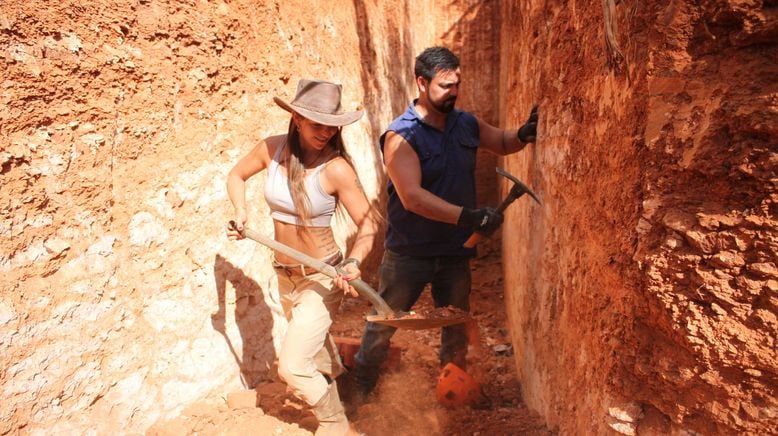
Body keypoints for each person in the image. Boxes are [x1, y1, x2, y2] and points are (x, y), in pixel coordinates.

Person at [350, 46, 539, 400]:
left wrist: (523, 134)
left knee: (454, 323)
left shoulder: (465, 123)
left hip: (455, 251)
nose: (453, 92)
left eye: (457, 84)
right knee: (385, 321)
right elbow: (412, 198)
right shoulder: (401, 136)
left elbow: (498, 141)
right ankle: (363, 384)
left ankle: (452, 390)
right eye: (444, 85)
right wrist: (468, 217)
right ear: (422, 83)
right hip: (410, 251)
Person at [226, 79, 378, 436]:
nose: (325, 133)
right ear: (296, 118)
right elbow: (236, 175)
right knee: (316, 348)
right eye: (317, 124)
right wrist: (240, 210)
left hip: (323, 275)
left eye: (332, 126)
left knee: (292, 366)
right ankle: (348, 390)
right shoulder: (271, 149)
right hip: (284, 273)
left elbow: (370, 224)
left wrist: (354, 262)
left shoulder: (336, 169)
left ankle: (335, 423)